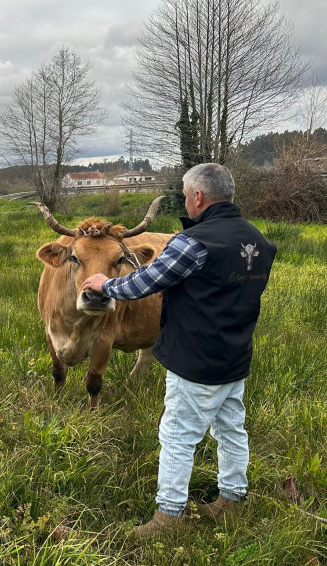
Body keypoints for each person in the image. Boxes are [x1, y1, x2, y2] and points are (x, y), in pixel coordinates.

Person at [82, 163, 276, 540]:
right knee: (231, 428)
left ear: (198, 197)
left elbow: (145, 281)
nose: (186, 203)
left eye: (186, 196)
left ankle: (167, 518)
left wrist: (106, 285)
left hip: (194, 358)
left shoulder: (195, 241)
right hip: (235, 355)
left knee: (176, 435)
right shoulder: (257, 240)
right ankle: (232, 500)